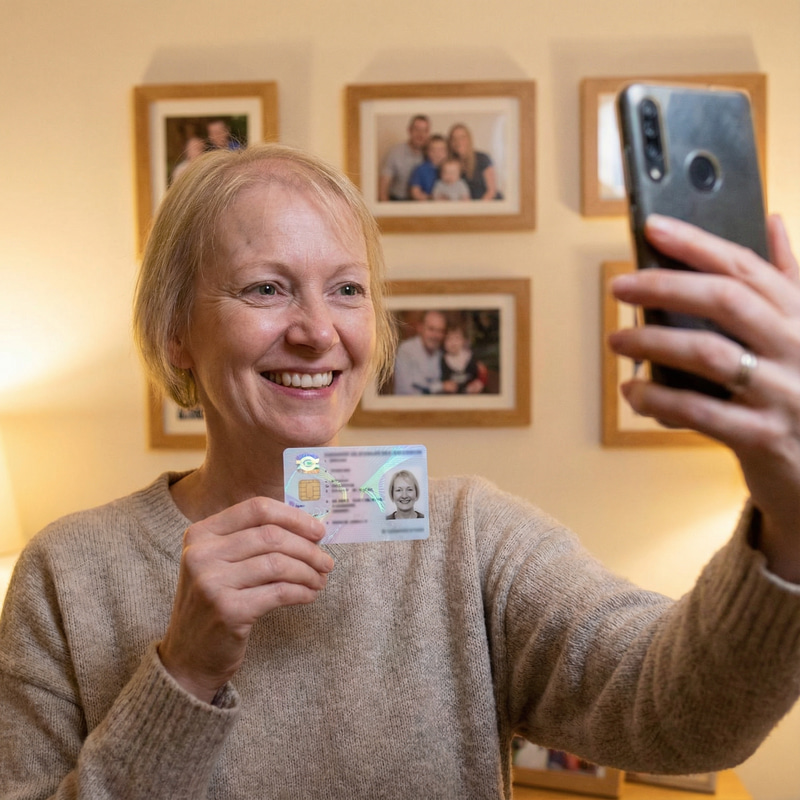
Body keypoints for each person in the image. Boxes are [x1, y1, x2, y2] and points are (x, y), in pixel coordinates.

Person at [1, 143, 800, 800]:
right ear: (177, 333)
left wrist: (789, 521)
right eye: (267, 288)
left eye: (346, 289)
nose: (318, 331)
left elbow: (686, 718)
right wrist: (181, 677)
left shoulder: (470, 537)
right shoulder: (66, 574)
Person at [392, 309, 447, 395]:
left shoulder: (441, 353)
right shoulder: (406, 350)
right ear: (420, 328)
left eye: (440, 331)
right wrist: (441, 387)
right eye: (431, 329)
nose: (435, 335)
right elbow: (407, 391)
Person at [378, 114, 429, 201]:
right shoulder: (396, 152)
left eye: (424, 130)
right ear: (409, 130)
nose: (420, 134)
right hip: (398, 201)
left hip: (424, 204)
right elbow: (383, 185)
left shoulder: (432, 152)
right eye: (417, 130)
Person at [448, 122, 501, 200]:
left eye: (462, 137)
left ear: (469, 139)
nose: (458, 142)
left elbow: (491, 191)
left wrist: (478, 209)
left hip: (488, 204)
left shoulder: (483, 158)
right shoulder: (450, 164)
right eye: (454, 138)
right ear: (451, 143)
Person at [440, 322, 485, 393]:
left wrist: (479, 383)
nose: (453, 342)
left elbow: (480, 373)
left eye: (457, 338)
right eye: (449, 339)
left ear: (463, 341)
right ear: (443, 342)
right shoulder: (443, 361)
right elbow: (443, 381)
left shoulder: (469, 356)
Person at [409, 133, 448, 200]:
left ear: (447, 152)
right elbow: (415, 192)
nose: (437, 153)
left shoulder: (452, 167)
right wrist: (431, 198)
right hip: (427, 206)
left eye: (441, 150)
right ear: (427, 152)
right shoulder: (420, 169)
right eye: (433, 150)